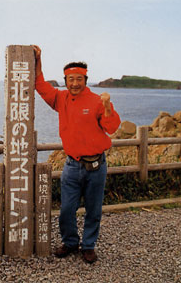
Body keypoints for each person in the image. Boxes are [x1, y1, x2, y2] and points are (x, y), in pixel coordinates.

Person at [33, 45, 121, 263]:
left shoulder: (97, 101)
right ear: (65, 80)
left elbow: (111, 128)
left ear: (85, 79)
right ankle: (70, 242)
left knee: (93, 210)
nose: (74, 83)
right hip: (72, 166)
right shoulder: (60, 99)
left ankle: (88, 245)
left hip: (96, 167)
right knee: (66, 210)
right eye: (70, 79)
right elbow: (40, 85)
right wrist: (38, 59)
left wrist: (108, 106)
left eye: (78, 79)